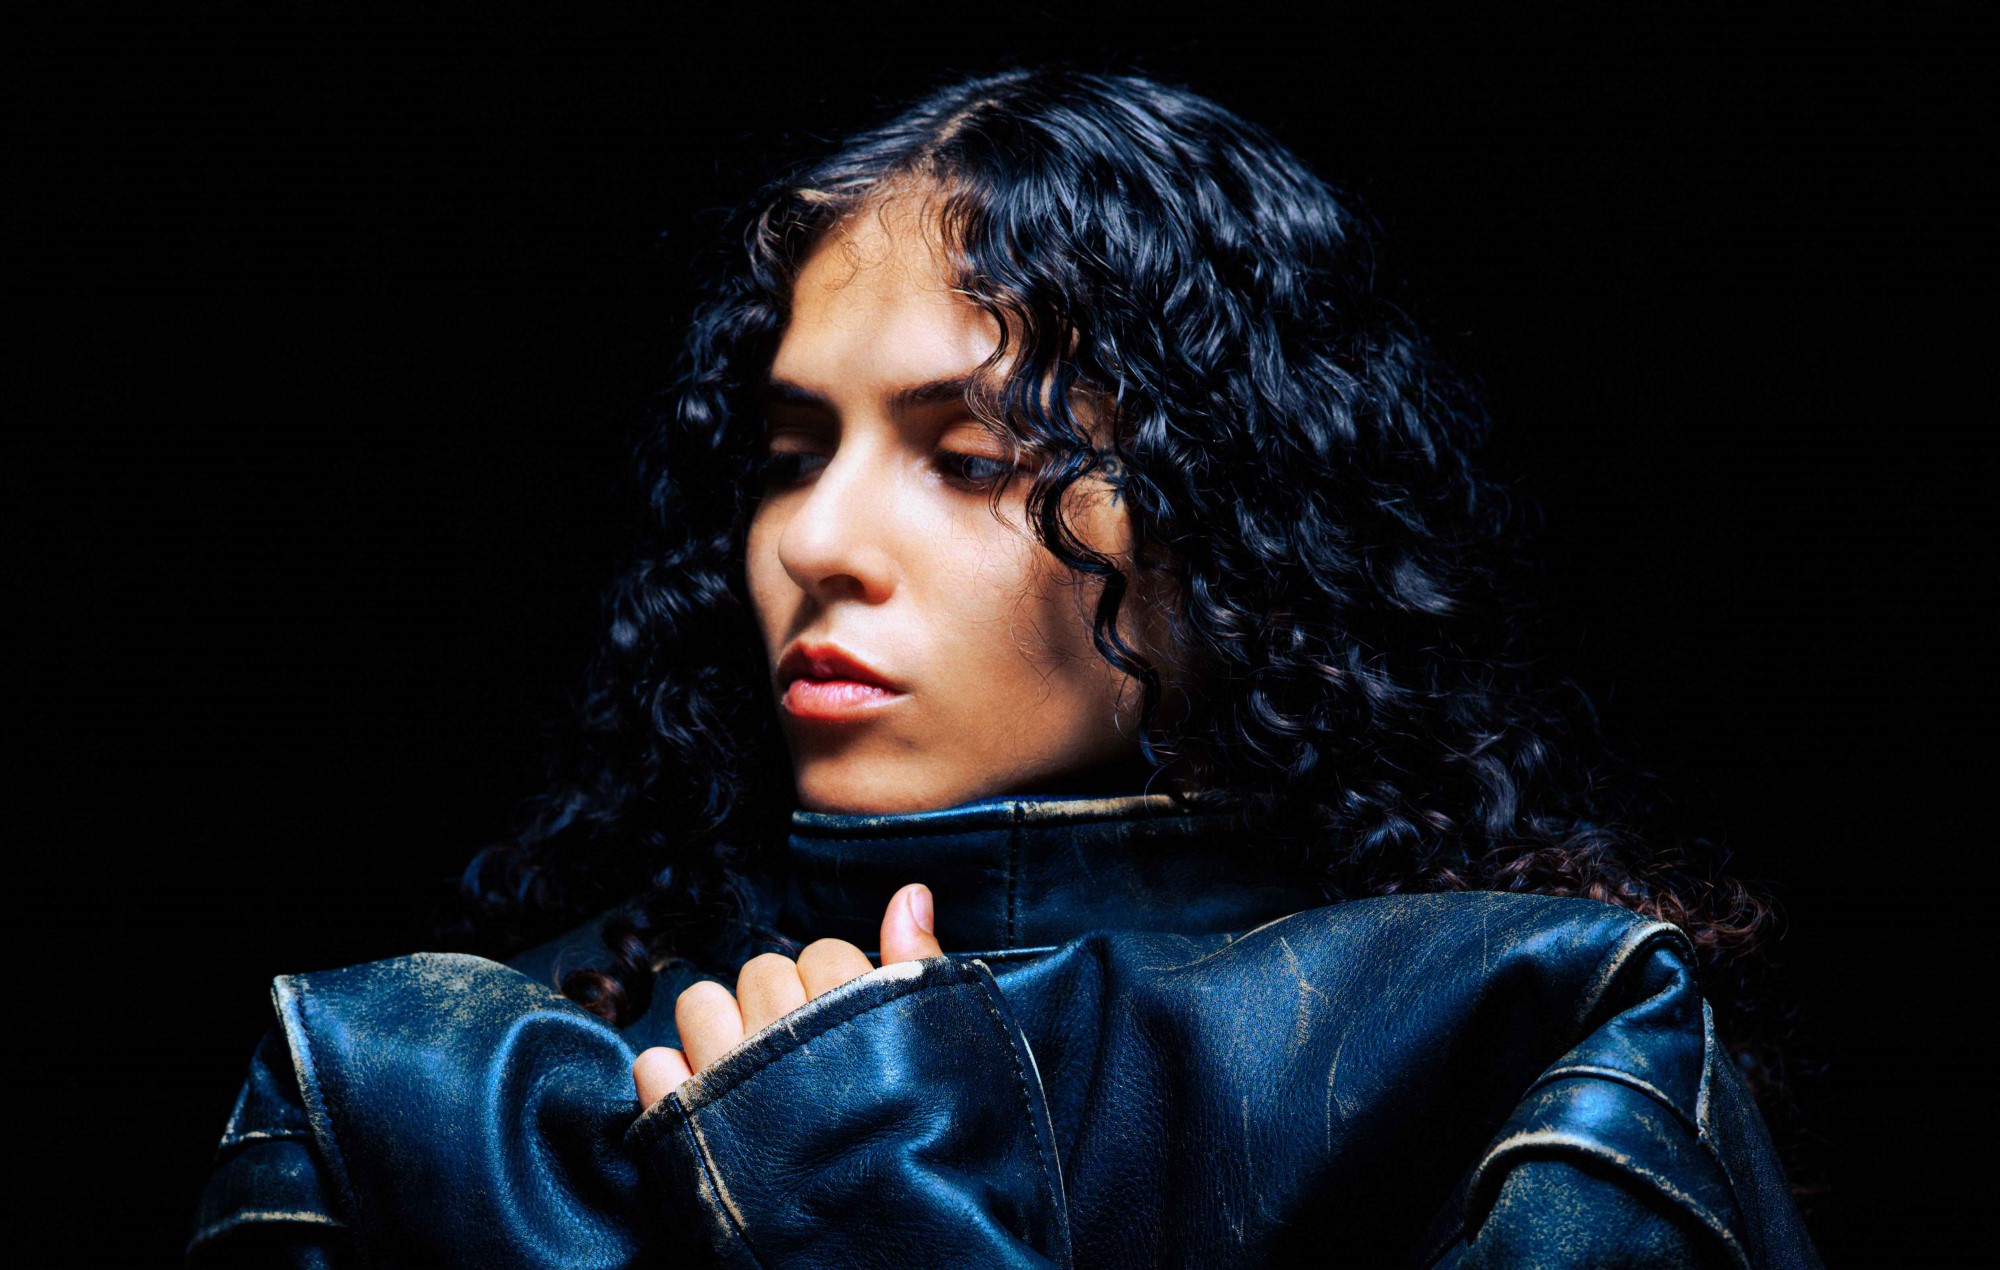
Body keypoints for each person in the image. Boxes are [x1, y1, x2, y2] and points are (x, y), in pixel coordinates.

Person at [189, 67, 1822, 1267]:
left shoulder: (1535, 1038)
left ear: (1234, 524)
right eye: (787, 453)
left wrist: (851, 1206)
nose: (819, 538)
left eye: (971, 458)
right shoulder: (426, 1084)